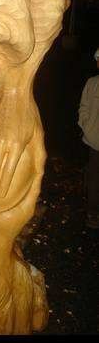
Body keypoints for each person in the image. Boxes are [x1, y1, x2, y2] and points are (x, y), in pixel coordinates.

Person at [78, 47, 99, 229]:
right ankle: (93, 214)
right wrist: (86, 125)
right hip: (95, 141)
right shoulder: (92, 83)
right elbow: (84, 106)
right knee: (94, 177)